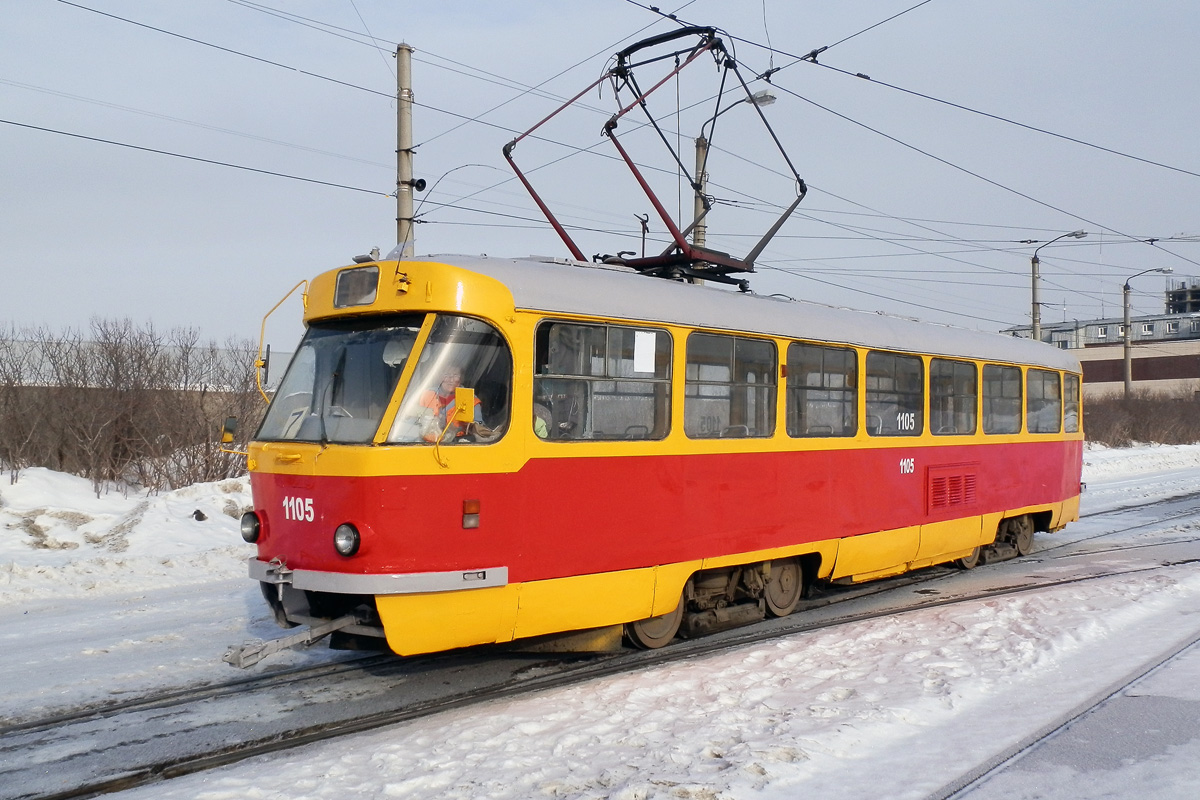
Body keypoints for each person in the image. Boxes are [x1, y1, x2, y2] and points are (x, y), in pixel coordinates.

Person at [418, 367, 485, 443]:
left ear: (461, 378)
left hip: (456, 445)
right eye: (447, 375)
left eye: (456, 375)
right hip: (424, 443)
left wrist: (467, 426)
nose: (451, 380)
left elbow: (479, 430)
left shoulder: (471, 399)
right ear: (440, 377)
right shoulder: (427, 394)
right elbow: (413, 420)